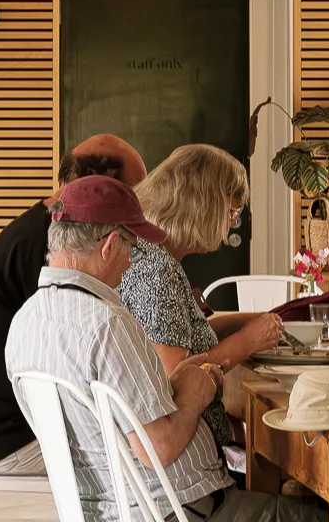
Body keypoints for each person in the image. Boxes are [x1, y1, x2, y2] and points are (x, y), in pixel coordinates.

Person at [6, 176, 321, 521]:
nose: (130, 262)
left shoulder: (23, 324)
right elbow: (157, 448)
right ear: (110, 245)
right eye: (132, 249)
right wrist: (196, 395)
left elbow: (110, 422)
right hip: (175, 511)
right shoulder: (106, 322)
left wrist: (176, 385)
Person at [0, 133, 146, 470]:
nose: (139, 208)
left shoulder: (43, 229)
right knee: (157, 454)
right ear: (98, 188)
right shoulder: (53, 246)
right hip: (25, 439)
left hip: (23, 427)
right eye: (133, 194)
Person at [120, 144, 282, 451]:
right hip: (192, 458)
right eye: (231, 212)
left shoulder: (149, 255)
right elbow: (176, 378)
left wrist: (252, 323)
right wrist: (248, 340)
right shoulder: (157, 271)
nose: (232, 223)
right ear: (202, 205)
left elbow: (186, 336)